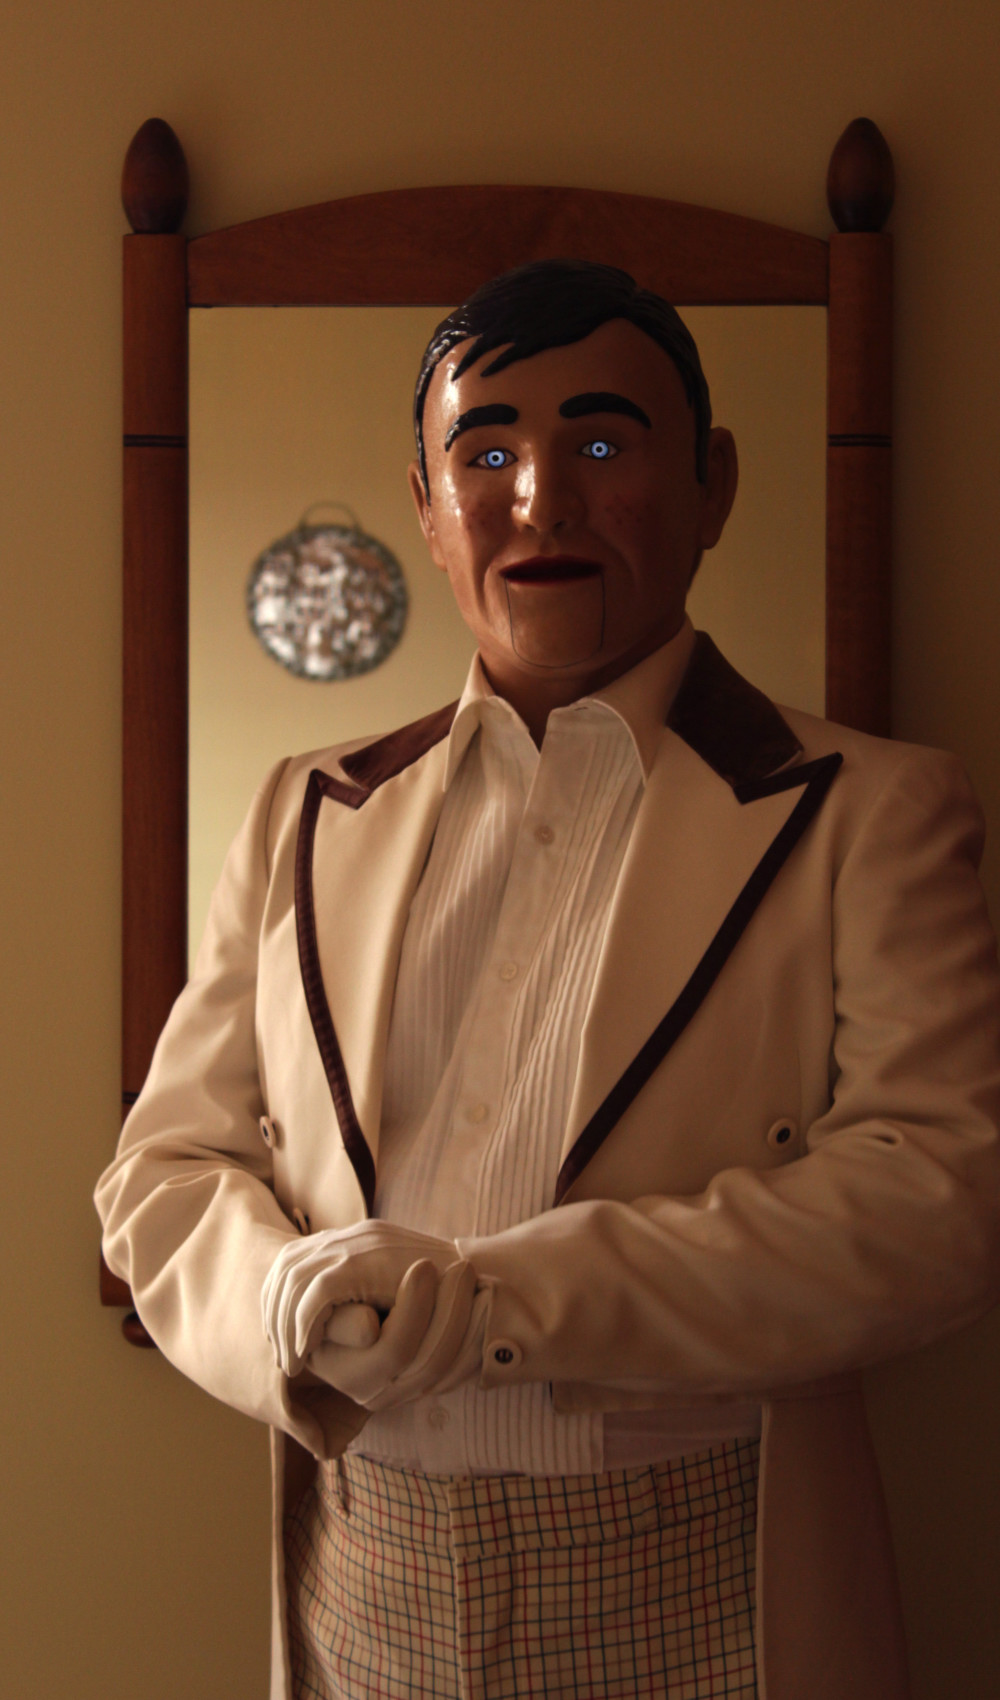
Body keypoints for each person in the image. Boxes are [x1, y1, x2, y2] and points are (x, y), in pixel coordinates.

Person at [96, 260, 1000, 1700]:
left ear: (711, 484)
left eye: (599, 442)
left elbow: (939, 1199)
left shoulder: (873, 814)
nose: (541, 500)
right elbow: (166, 1170)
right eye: (487, 453)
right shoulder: (301, 812)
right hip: (357, 1583)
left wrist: (513, 1298)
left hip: (713, 1585)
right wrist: (283, 1300)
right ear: (424, 507)